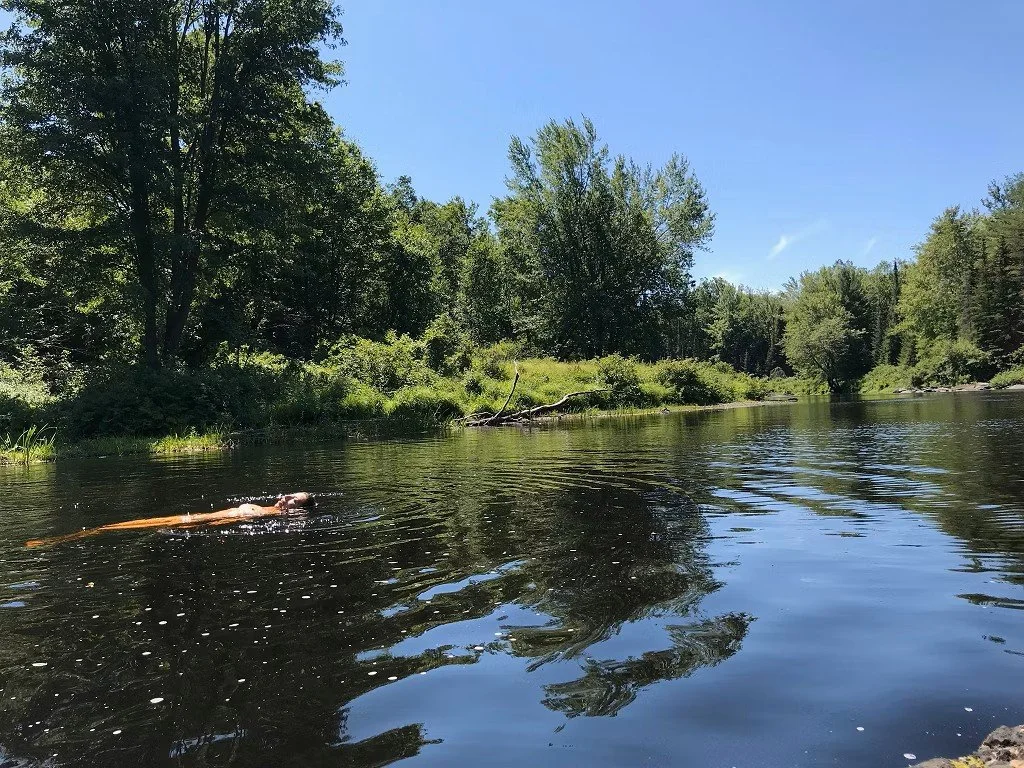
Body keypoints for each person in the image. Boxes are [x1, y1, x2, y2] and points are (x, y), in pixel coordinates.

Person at [25, 492, 315, 548]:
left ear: (298, 510)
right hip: (198, 517)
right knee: (123, 524)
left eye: (294, 500)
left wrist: (208, 524)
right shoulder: (268, 509)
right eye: (290, 494)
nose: (285, 497)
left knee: (114, 529)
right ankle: (62, 539)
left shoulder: (274, 516)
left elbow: (227, 523)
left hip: (202, 522)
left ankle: (55, 541)